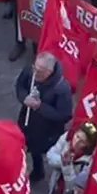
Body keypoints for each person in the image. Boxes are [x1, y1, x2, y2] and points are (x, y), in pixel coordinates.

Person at [16, 52, 73, 181]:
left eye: (40, 72)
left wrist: (40, 107)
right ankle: (38, 171)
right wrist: (24, 98)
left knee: (54, 156)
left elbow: (64, 115)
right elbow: (20, 86)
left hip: (49, 130)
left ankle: (59, 182)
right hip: (28, 121)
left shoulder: (62, 88)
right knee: (33, 149)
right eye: (35, 69)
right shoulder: (31, 72)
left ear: (49, 71)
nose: (35, 74)